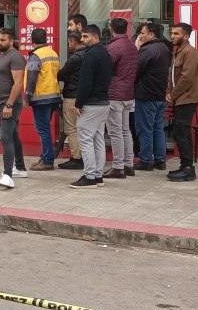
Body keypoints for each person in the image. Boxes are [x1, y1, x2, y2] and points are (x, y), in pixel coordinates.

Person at [71, 25, 112, 188]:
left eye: (85, 36)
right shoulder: (105, 53)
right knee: (98, 139)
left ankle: (89, 176)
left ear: (95, 37)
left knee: (86, 139)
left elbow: (85, 82)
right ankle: (97, 175)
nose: (82, 39)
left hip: (92, 103)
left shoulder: (90, 55)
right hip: (104, 102)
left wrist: (78, 103)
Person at [0, 28, 28, 189]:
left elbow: (18, 83)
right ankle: (20, 168)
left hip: (9, 103)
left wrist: (9, 104)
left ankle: (8, 175)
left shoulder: (16, 57)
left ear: (11, 41)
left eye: (3, 40)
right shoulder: (1, 56)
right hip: (0, 103)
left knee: (6, 138)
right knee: (13, 135)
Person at [167, 23, 198, 182]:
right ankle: (185, 166)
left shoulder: (190, 52)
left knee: (181, 131)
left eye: (176, 33)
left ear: (186, 36)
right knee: (180, 132)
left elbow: (186, 78)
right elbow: (173, 75)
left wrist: (173, 94)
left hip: (187, 97)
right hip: (180, 98)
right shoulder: (178, 52)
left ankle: (187, 168)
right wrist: (169, 92)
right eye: (172, 33)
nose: (172, 36)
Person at [134, 22, 172, 172]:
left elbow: (135, 69)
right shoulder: (164, 48)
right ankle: (160, 160)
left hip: (146, 95)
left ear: (151, 34)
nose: (140, 36)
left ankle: (145, 160)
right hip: (159, 95)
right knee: (158, 129)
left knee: (145, 129)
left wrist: (137, 48)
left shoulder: (148, 50)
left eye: (143, 33)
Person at [24, 28, 62, 172]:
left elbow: (32, 78)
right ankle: (45, 157)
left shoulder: (36, 56)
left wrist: (27, 96)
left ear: (32, 40)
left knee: (43, 130)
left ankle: (47, 160)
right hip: (53, 96)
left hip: (41, 98)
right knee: (45, 129)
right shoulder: (53, 53)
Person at [104, 18, 138, 179]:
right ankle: (128, 164)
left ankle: (118, 166)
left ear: (111, 29)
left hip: (115, 93)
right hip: (128, 93)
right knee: (125, 130)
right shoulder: (132, 46)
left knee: (115, 131)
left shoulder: (113, 47)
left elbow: (106, 69)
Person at [57, 31, 86, 170]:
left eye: (69, 42)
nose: (68, 45)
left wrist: (66, 78)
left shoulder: (75, 57)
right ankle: (86, 156)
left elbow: (61, 74)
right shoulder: (89, 54)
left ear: (74, 41)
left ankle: (77, 158)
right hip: (86, 96)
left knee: (71, 128)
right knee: (84, 129)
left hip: (72, 96)